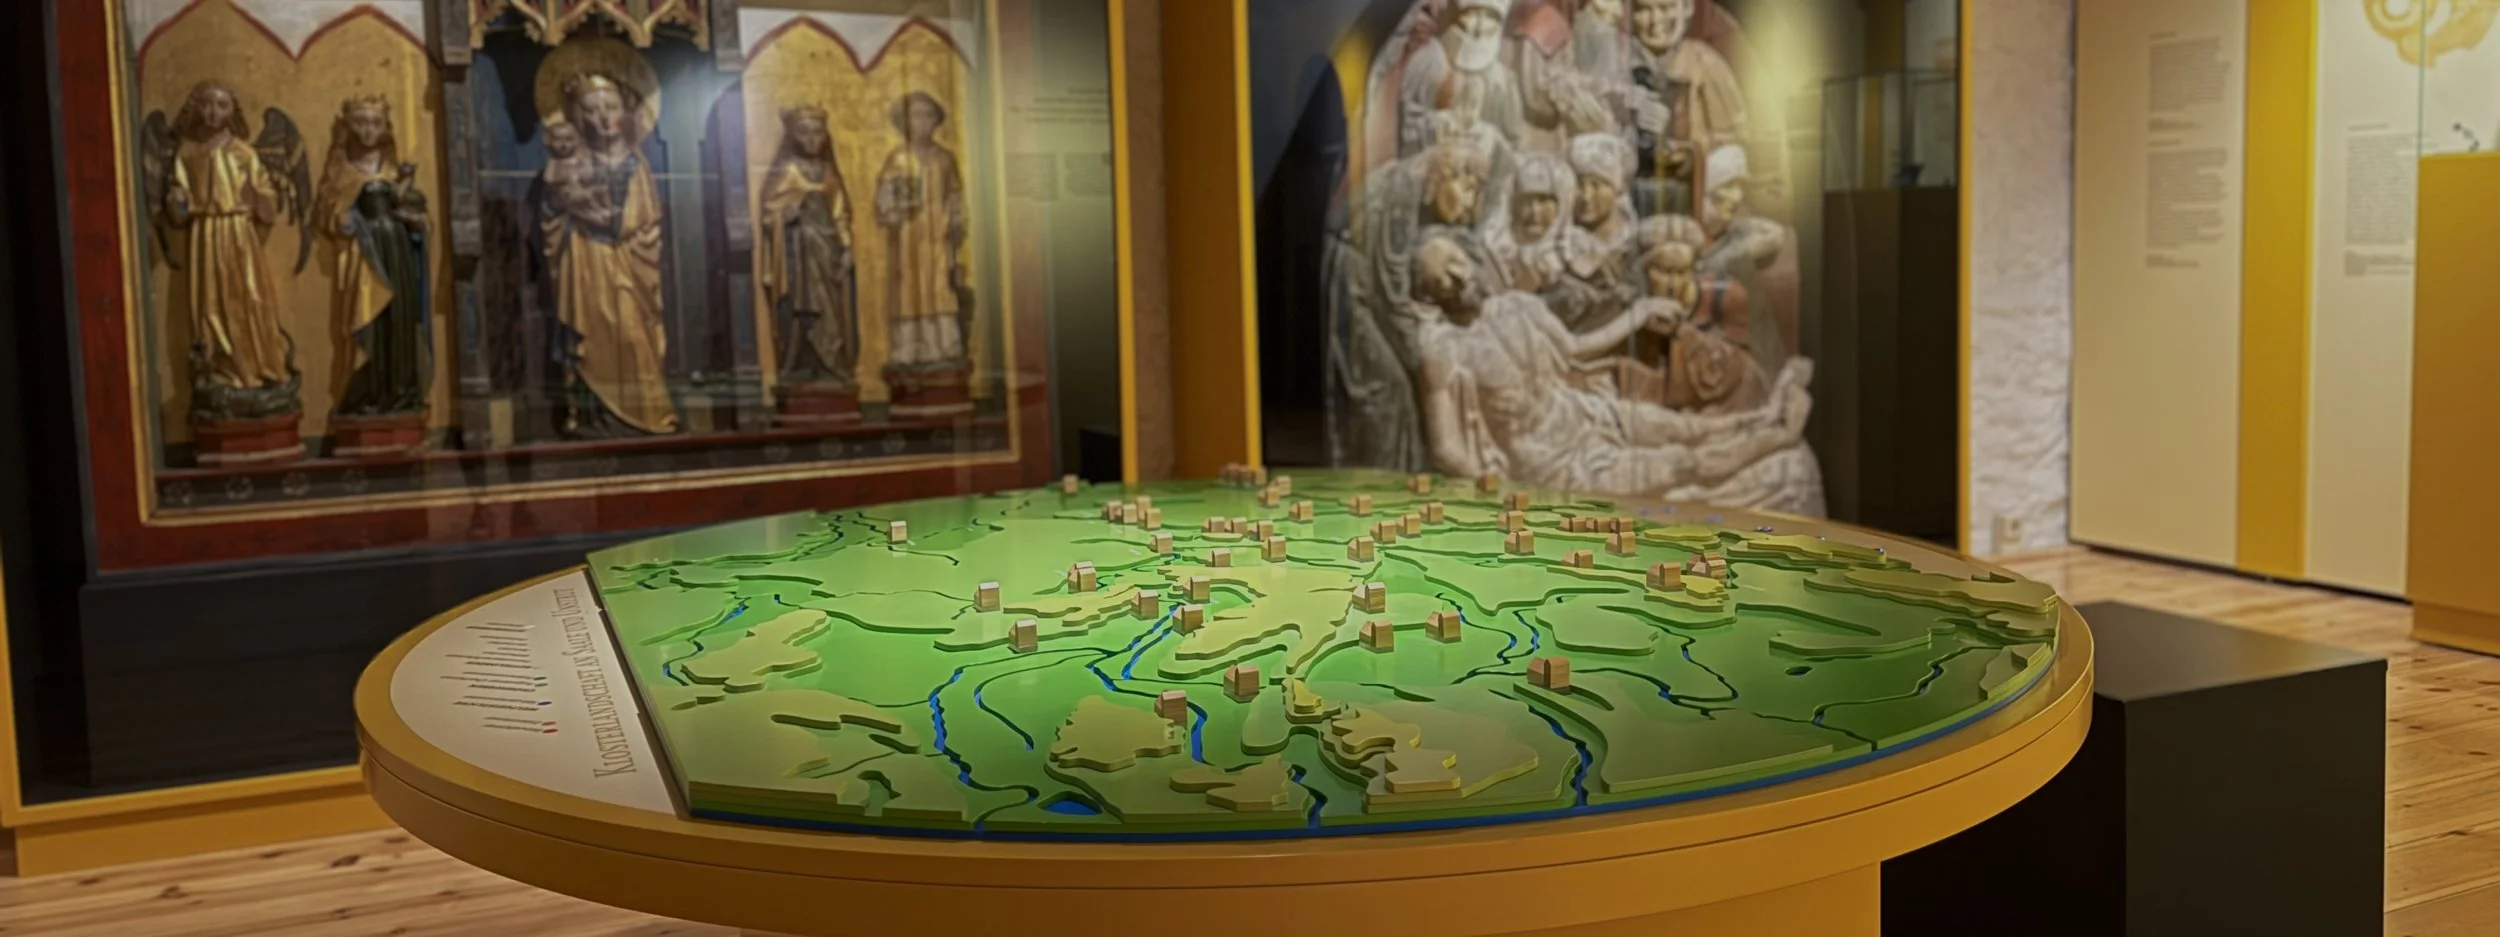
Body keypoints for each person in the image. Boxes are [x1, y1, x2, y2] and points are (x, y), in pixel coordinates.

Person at [1409, 231, 1821, 511]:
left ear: (1471, 255)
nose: (1457, 276)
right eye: (1440, 278)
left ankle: (1763, 419)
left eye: (1456, 260)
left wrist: (1638, 314)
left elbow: (1576, 349)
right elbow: (1446, 447)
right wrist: (1493, 489)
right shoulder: (1443, 348)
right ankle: (1779, 438)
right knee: (1681, 463)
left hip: (1580, 413)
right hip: (1551, 463)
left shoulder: (1518, 306)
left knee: (1681, 428)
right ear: (1429, 294)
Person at [541, 72, 679, 436]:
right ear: (577, 117)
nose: (603, 118)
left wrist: (619, 227)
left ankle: (644, 414)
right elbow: (552, 215)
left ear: (626, 112)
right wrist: (561, 206)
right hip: (586, 262)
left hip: (630, 264)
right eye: (591, 110)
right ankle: (592, 418)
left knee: (634, 337)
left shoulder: (637, 165)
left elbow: (646, 224)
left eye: (612, 107)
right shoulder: (571, 162)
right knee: (589, 339)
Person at [166, 80, 296, 398]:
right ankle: (220, 367)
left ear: (232, 112)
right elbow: (179, 198)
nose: (213, 111)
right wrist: (178, 200)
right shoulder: (187, 153)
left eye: (221, 105)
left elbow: (267, 198)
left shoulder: (243, 152)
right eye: (207, 104)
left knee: (249, 296)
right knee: (210, 303)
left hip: (239, 234)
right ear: (196, 109)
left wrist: (257, 197)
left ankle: (254, 364)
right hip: (205, 235)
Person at [313, 94, 431, 419]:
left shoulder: (394, 168)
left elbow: (415, 208)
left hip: (396, 249)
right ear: (349, 126)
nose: (368, 130)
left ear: (385, 127)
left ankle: (401, 390)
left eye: (375, 123)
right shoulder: (341, 170)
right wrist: (340, 220)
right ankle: (369, 392)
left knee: (399, 318)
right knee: (370, 319)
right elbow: (327, 209)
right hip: (364, 256)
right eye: (361, 122)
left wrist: (415, 220)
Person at [757, 103, 860, 396]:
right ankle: (800, 365)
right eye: (804, 132)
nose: (812, 139)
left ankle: (834, 365)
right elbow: (769, 213)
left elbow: (841, 214)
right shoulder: (788, 171)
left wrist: (847, 247)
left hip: (827, 253)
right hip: (797, 257)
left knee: (831, 311)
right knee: (800, 311)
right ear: (793, 136)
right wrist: (786, 213)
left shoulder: (828, 172)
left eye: (817, 132)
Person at [875, 91, 970, 382]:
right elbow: (884, 198)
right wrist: (893, 211)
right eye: (916, 115)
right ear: (905, 121)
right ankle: (910, 349)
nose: (922, 122)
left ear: (937, 120)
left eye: (928, 115)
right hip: (908, 236)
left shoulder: (945, 158)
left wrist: (956, 220)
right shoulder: (898, 159)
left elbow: (955, 195)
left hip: (938, 235)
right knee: (909, 287)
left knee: (940, 286)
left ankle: (944, 346)